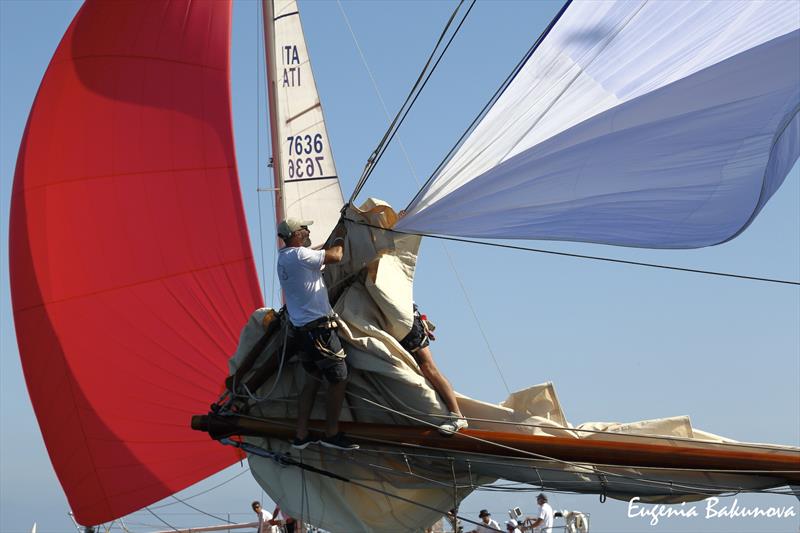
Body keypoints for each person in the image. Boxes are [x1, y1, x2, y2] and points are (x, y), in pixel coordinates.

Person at [277, 217, 358, 451]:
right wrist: (341, 234)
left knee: (312, 380)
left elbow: (319, 257)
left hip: (302, 333)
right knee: (339, 378)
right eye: (304, 229)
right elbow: (336, 256)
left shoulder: (287, 258)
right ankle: (331, 433)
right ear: (294, 235)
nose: (308, 230)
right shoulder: (300, 256)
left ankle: (301, 434)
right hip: (319, 332)